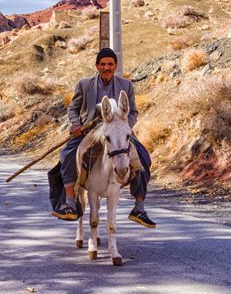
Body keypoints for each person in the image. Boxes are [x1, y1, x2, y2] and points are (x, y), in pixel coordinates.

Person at [51, 47, 156, 228]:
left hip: (118, 131)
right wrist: (75, 124)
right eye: (103, 64)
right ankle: (70, 202)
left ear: (115, 66)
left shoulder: (126, 85)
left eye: (110, 64)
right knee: (67, 154)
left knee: (143, 157)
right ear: (97, 66)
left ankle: (139, 206)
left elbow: (133, 112)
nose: (106, 67)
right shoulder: (84, 84)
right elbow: (73, 109)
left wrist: (123, 127)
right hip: (90, 131)